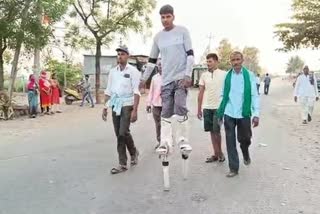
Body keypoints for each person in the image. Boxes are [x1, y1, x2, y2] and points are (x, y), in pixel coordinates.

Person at [139, 4, 194, 157]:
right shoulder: (158, 37)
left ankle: (183, 139)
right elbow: (151, 61)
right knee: (166, 112)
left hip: (181, 78)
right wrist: (144, 79)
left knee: (180, 107)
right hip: (166, 80)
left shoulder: (182, 31)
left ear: (173, 16)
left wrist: (188, 75)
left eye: (168, 16)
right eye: (162, 17)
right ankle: (165, 141)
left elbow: (190, 55)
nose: (165, 20)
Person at [216, 51, 260, 178]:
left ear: (242, 60)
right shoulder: (227, 76)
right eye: (233, 60)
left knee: (245, 139)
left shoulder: (249, 75)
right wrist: (221, 111)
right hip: (229, 112)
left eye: (237, 60)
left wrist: (256, 114)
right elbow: (223, 94)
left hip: (244, 113)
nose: (235, 62)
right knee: (230, 141)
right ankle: (233, 168)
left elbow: (254, 95)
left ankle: (245, 153)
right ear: (231, 62)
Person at [102, 46, 140, 175]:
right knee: (120, 134)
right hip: (115, 103)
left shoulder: (133, 71)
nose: (120, 56)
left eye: (122, 54)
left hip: (127, 104)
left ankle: (122, 164)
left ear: (127, 56)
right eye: (118, 54)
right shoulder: (113, 72)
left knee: (123, 132)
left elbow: (136, 92)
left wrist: (135, 110)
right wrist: (105, 107)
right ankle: (134, 152)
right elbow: (108, 90)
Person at [197, 53, 226, 163]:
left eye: (210, 61)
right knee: (211, 131)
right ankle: (215, 154)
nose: (208, 63)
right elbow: (200, 92)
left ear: (216, 62)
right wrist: (199, 109)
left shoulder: (224, 74)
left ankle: (220, 153)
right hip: (207, 107)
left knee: (217, 131)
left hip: (218, 107)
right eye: (207, 61)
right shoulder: (204, 75)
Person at [146, 59, 162, 150]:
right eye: (159, 65)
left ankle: (167, 140)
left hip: (166, 105)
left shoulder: (169, 76)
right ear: (157, 66)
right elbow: (151, 91)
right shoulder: (154, 78)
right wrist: (148, 103)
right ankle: (160, 141)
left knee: (166, 123)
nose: (161, 66)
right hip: (156, 104)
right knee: (158, 124)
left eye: (163, 64)